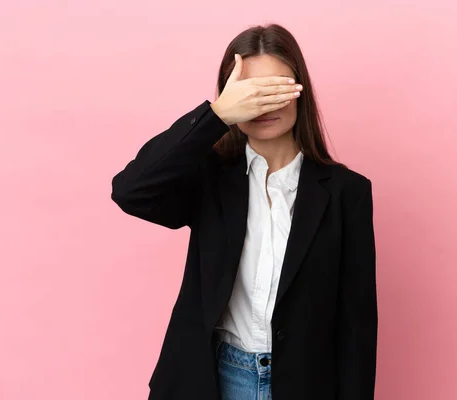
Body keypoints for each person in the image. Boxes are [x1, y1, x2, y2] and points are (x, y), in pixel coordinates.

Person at [111, 23, 377, 400]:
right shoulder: (209, 177)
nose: (263, 104)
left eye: (277, 88)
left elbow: (357, 323)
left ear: (301, 92)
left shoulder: (346, 192)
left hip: (306, 383)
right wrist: (216, 115)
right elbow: (130, 191)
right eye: (249, 92)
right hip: (214, 378)